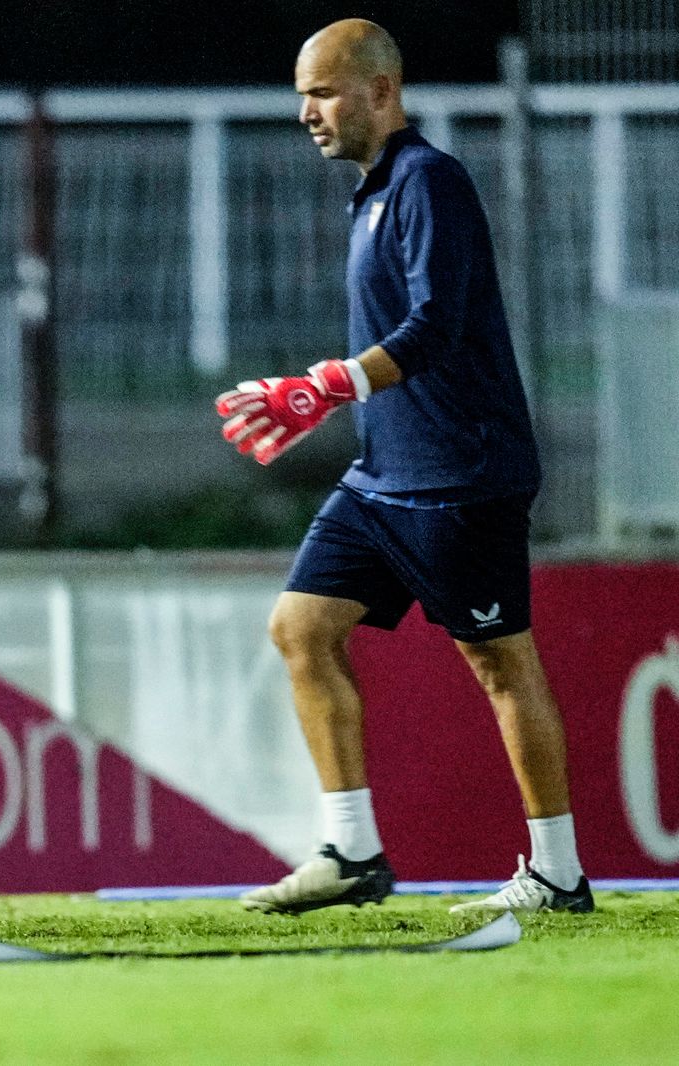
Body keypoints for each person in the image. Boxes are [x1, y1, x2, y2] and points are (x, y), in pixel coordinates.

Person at [216, 20, 592, 916]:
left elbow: (438, 325)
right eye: (303, 93)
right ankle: (350, 853)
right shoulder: (374, 191)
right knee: (300, 629)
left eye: (324, 91)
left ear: (382, 90)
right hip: (384, 477)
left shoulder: (430, 182)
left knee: (500, 665)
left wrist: (331, 384)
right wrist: (336, 398)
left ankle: (558, 873)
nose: (307, 111)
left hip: (464, 475)